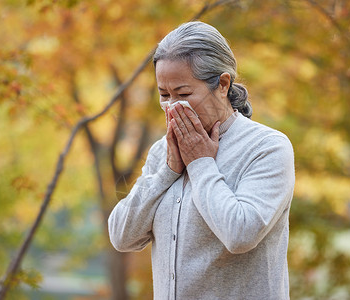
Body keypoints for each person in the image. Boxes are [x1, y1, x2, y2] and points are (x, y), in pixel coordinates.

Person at [108, 21, 295, 300]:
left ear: (222, 84)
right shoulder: (163, 151)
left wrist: (199, 163)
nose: (172, 106)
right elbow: (122, 236)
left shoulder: (267, 148)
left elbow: (240, 234)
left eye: (183, 94)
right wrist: (168, 171)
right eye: (164, 95)